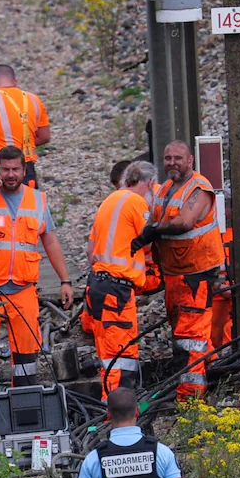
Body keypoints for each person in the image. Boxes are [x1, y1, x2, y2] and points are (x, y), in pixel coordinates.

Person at [0, 146, 74, 421]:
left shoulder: (37, 200)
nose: (10, 174)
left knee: (26, 358)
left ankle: (23, 414)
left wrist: (65, 280)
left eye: (15, 169)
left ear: (24, 170)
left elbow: (51, 240)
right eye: (5, 169)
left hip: (23, 290)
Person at [139, 140, 225, 400]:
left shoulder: (199, 189)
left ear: (190, 161)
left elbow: (184, 223)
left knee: (191, 338)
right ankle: (216, 372)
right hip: (176, 274)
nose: (172, 163)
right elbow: (154, 218)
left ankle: (190, 397)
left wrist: (153, 231)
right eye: (167, 158)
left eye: (178, 158)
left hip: (196, 274)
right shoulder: (166, 188)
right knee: (186, 334)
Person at [83, 161, 157, 395]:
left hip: (97, 286)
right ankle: (120, 419)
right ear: (151, 184)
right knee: (122, 360)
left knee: (108, 359)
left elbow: (90, 251)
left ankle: (109, 413)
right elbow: (151, 239)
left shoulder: (109, 201)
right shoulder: (137, 202)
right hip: (117, 291)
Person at [210, 212, 240, 350]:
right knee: (212, 334)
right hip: (216, 289)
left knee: (232, 328)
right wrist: (217, 285)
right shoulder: (207, 219)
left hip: (235, 286)